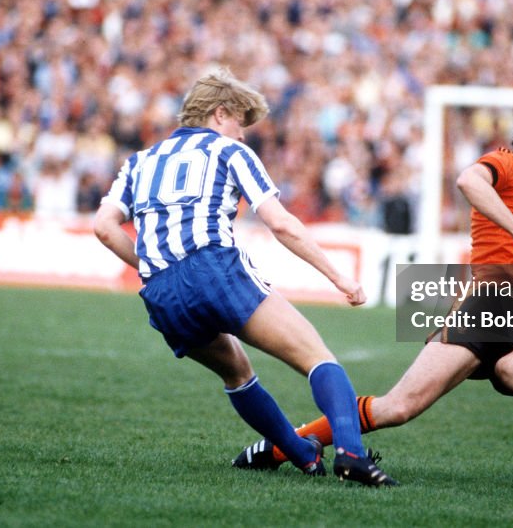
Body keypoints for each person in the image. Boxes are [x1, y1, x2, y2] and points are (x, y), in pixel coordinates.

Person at [232, 66, 513, 494]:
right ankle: (282, 446)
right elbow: (468, 180)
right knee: (398, 407)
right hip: (490, 307)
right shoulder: (507, 164)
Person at [93, 67, 397, 486]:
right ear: (220, 114)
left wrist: (151, 265)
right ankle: (351, 455)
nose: (243, 134)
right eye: (241, 123)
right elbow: (281, 223)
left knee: (236, 373)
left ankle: (303, 454)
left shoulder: (139, 162)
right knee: (317, 357)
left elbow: (105, 228)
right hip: (213, 267)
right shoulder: (228, 152)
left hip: (161, 291)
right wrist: (338, 277)